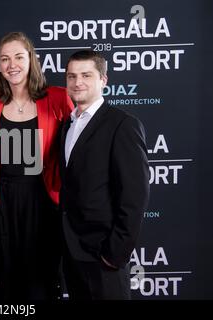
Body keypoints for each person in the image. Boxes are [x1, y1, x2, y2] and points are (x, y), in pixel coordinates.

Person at [0, 31, 74, 300]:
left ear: (31, 60)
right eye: (5, 59)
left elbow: (79, 146)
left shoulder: (58, 97)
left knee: (42, 277)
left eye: (18, 57)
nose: (12, 65)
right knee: (8, 277)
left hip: (43, 198)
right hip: (5, 201)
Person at [59, 50, 150, 300]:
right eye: (71, 76)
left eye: (86, 75)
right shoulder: (67, 125)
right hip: (72, 252)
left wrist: (114, 253)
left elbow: (135, 196)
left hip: (103, 256)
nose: (77, 82)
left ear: (103, 80)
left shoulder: (123, 124)